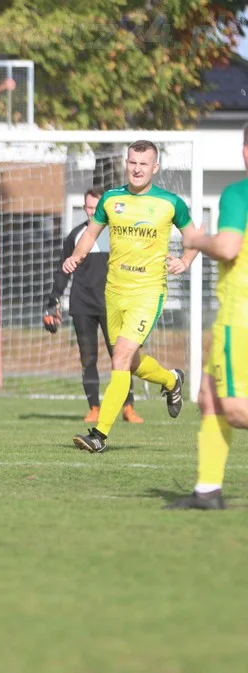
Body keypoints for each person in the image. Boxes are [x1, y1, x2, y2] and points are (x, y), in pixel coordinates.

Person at [65, 140, 197, 453]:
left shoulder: (170, 203)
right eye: (132, 162)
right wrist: (77, 256)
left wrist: (186, 260)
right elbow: (91, 233)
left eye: (144, 163)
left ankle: (99, 435)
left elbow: (193, 238)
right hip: (113, 292)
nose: (137, 169)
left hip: (148, 292)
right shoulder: (111, 199)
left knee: (121, 358)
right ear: (127, 163)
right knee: (129, 360)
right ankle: (170, 380)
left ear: (155, 167)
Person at [166, 126, 248, 509]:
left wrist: (197, 241)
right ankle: (207, 492)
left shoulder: (239, 193)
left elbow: (229, 247)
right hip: (230, 317)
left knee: (234, 409)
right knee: (209, 397)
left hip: (242, 317)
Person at [44, 187, 141, 424]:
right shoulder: (76, 236)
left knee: (120, 358)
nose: (91, 212)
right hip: (82, 306)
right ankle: (94, 408)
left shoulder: (118, 235)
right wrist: (53, 301)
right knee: (88, 358)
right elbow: (63, 271)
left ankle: (128, 408)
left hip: (112, 306)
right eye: (87, 207)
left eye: (95, 208)